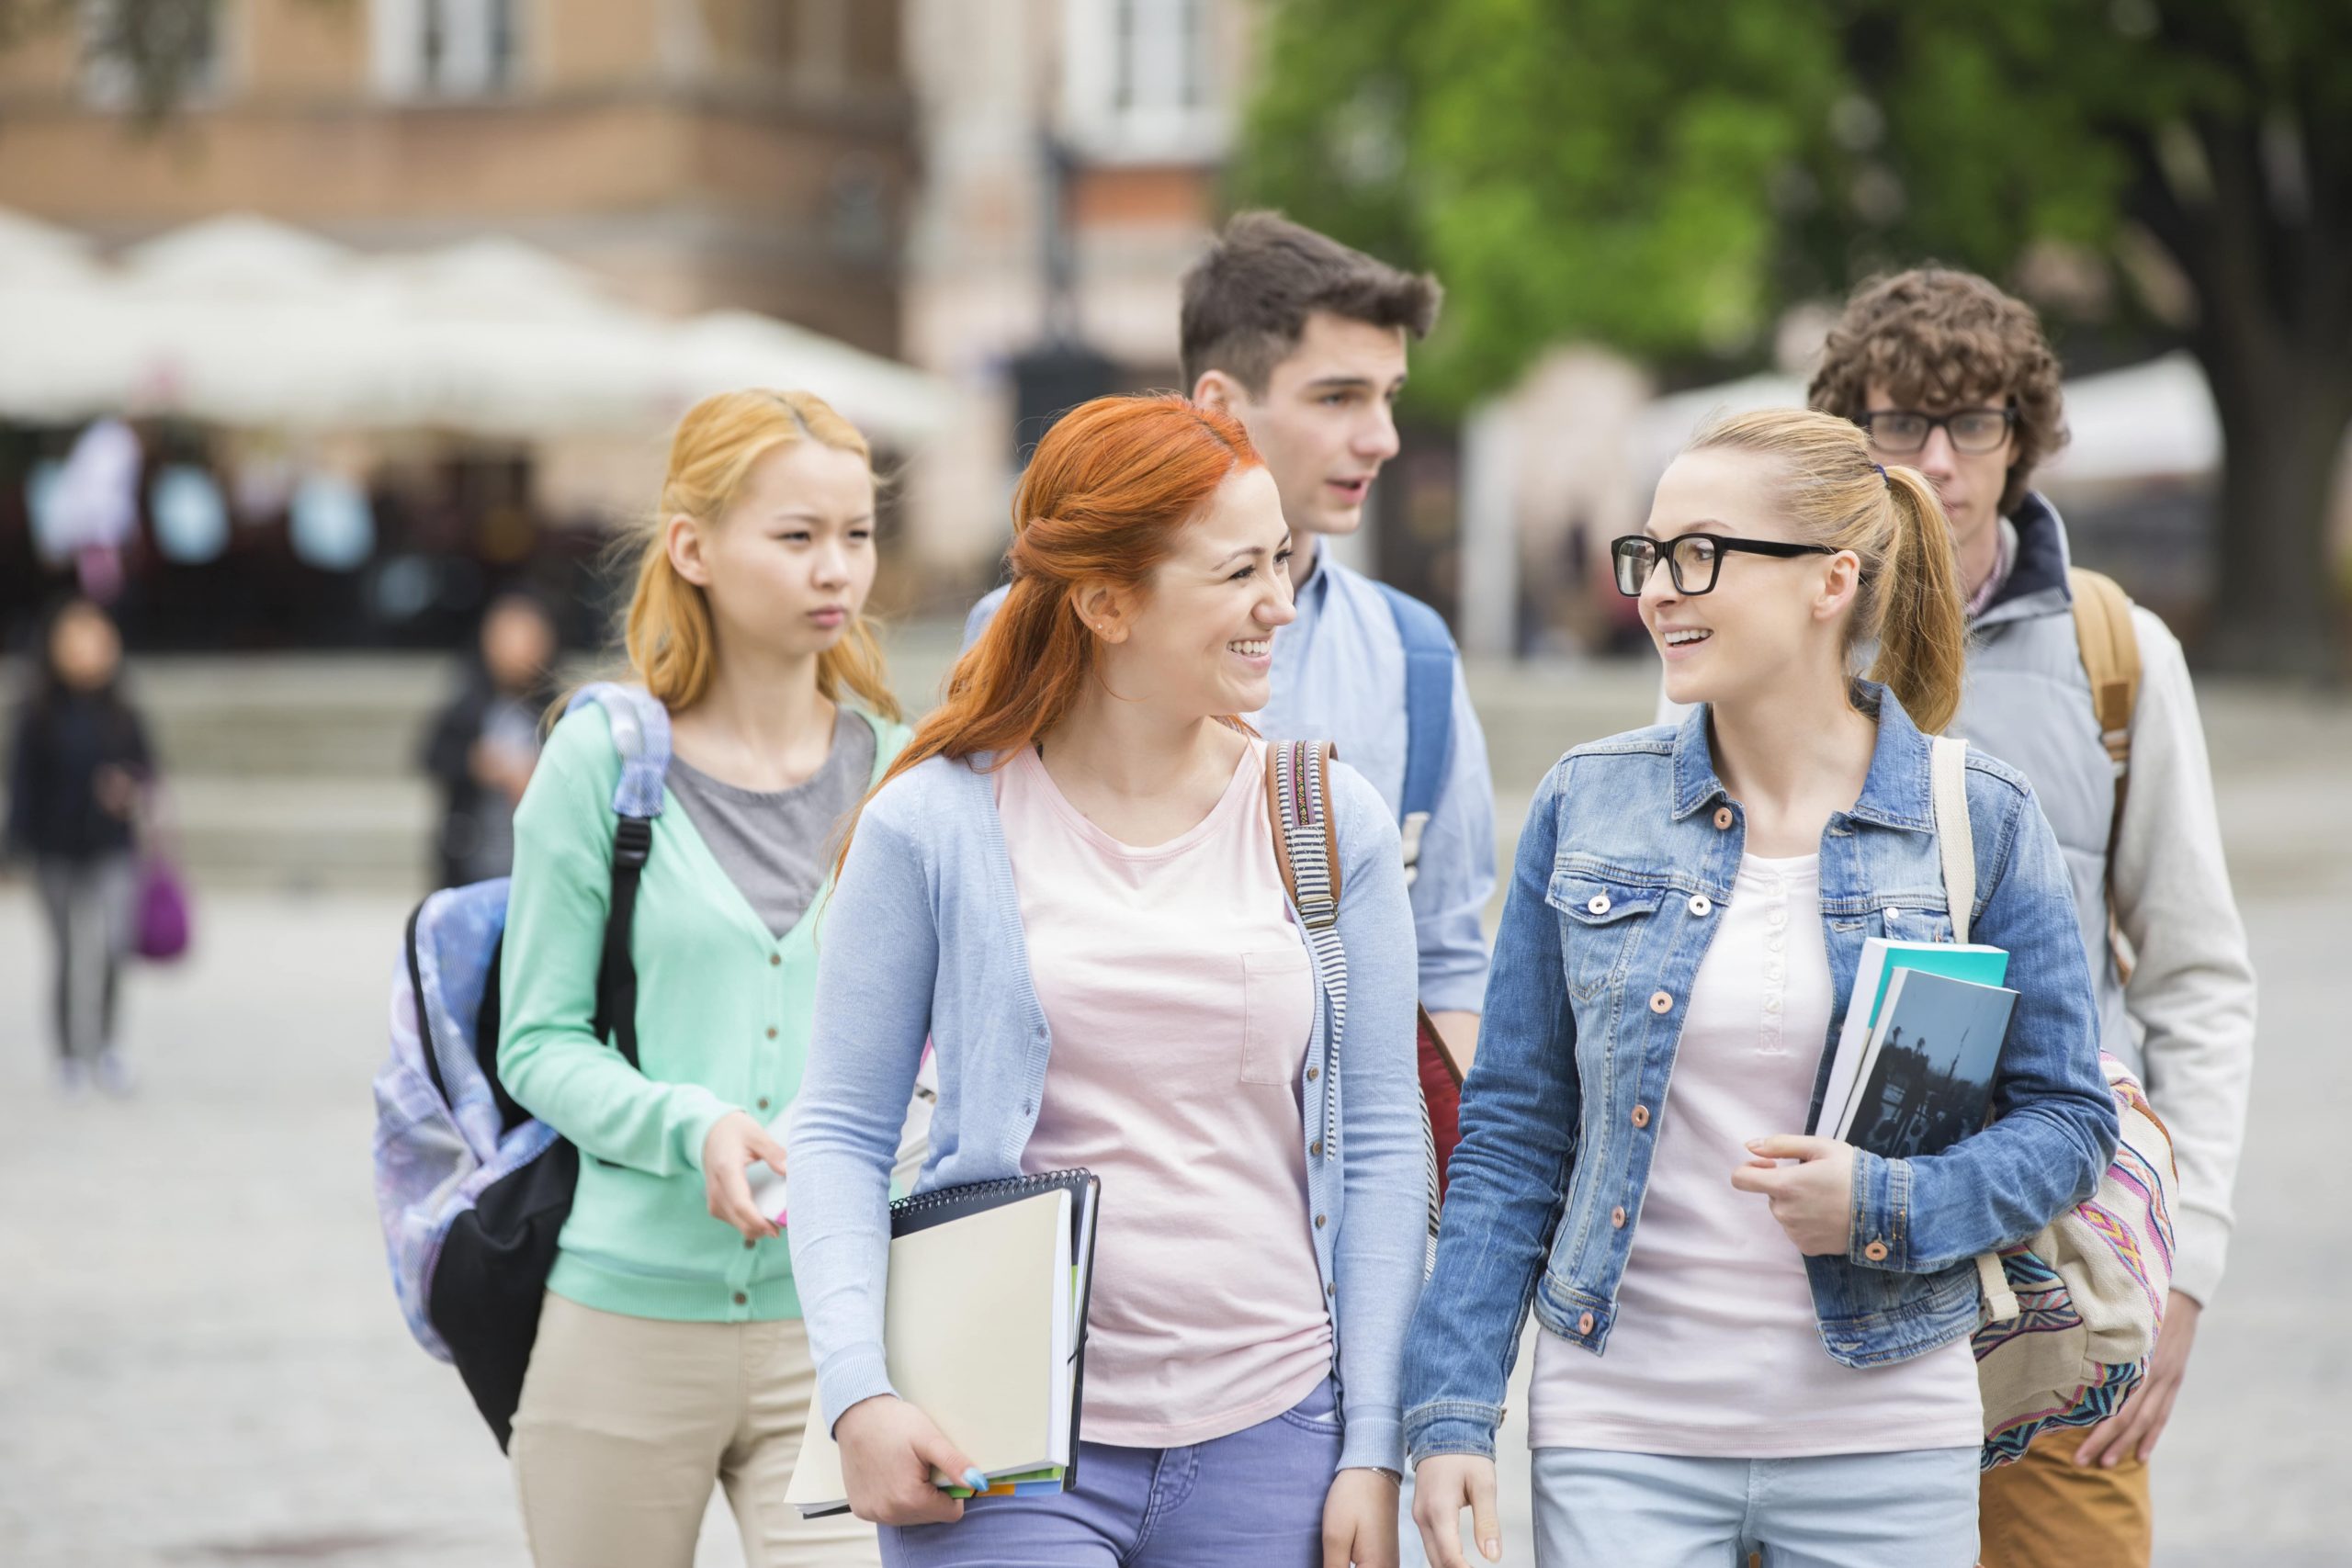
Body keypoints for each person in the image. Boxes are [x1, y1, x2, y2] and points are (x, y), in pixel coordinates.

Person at [1407, 408, 2119, 1568]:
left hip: (1886, 1434)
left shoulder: (1977, 817)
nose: (1656, 591)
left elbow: (2068, 1119)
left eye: (1700, 553)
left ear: (1829, 581)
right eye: (1647, 554)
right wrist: (1451, 1414)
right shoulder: (1588, 805)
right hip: (1621, 1431)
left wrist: (1886, 1206)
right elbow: (1512, 1137)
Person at [787, 394, 1425, 1568]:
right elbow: (836, 1130)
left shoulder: (1330, 820)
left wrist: (1372, 1445)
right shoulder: (932, 826)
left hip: (1277, 1434)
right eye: (1240, 572)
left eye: (1280, 562)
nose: (1280, 604)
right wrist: (858, 1392)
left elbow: (1385, 1141)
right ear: (1105, 601)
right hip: (997, 1449)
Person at [1802, 269, 2257, 1568]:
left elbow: (2198, 975)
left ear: (2025, 436)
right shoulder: (1784, 629)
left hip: (2063, 1261)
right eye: (1899, 424)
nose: (1937, 462)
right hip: (1835, 1255)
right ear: (1852, 434)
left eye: (1975, 424)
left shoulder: (2116, 652)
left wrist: (2186, 1267)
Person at [495, 389, 910, 1568]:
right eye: (796, 536)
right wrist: (693, 1125)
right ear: (693, 547)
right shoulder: (601, 761)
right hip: (621, 1321)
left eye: (857, 534)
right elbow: (538, 1041)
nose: (836, 568)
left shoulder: (903, 770)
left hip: (837, 1336)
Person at [965, 212, 1494, 1077]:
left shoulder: (1415, 654)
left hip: (1337, 1170)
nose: (1381, 437)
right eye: (1337, 397)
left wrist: (1445, 1183)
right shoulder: (1027, 625)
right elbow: (974, 924)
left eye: (1388, 397)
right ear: (1218, 406)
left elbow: (1445, 955)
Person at [6, 595, 153, 1097]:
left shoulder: (123, 710)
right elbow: (22, 786)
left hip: (112, 844)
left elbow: (147, 771)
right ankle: (69, 1054)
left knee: (113, 944)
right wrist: (13, 850)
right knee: (67, 952)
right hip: (55, 847)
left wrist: (129, 790)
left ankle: (107, 1045)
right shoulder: (36, 713)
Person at [421, 589, 561, 887]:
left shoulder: (557, 711)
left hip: (535, 863)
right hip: (473, 856)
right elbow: (433, 755)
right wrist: (479, 763)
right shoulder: (470, 704)